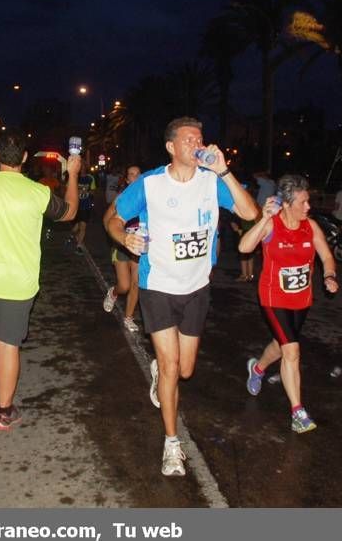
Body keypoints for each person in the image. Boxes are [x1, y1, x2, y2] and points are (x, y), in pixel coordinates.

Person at [107, 116, 257, 475]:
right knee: (174, 368)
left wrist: (224, 171)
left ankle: (163, 370)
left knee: (184, 369)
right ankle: (171, 443)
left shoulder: (212, 182)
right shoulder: (150, 184)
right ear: (171, 147)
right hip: (157, 287)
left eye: (200, 138)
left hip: (196, 289)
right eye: (189, 140)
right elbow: (111, 217)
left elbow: (250, 213)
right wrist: (123, 237)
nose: (197, 144)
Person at [0, 133, 81, 430]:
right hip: (19, 283)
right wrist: (72, 175)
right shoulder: (37, 192)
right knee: (8, 346)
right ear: (24, 158)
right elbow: (70, 212)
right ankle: (4, 412)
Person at [242, 175, 339, 433]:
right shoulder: (272, 224)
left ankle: (258, 367)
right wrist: (263, 218)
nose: (309, 207)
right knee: (292, 350)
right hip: (274, 298)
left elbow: (327, 257)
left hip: (301, 299)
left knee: (281, 344)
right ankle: (298, 411)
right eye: (303, 202)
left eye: (308, 201)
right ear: (286, 203)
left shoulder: (311, 226)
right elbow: (244, 247)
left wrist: (329, 275)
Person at [102, 165, 142, 332]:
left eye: (137, 174)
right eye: (131, 174)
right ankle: (113, 292)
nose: (134, 177)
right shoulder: (122, 198)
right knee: (124, 286)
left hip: (139, 245)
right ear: (127, 180)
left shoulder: (147, 197)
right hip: (122, 245)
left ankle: (128, 317)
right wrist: (115, 238)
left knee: (136, 283)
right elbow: (106, 220)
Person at [69, 165, 96, 255]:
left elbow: (93, 191)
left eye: (83, 166)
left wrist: (87, 192)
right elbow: (67, 188)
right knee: (76, 227)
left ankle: (79, 246)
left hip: (85, 205)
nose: (82, 167)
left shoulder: (90, 178)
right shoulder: (74, 177)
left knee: (83, 226)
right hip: (75, 205)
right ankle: (72, 234)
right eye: (80, 166)